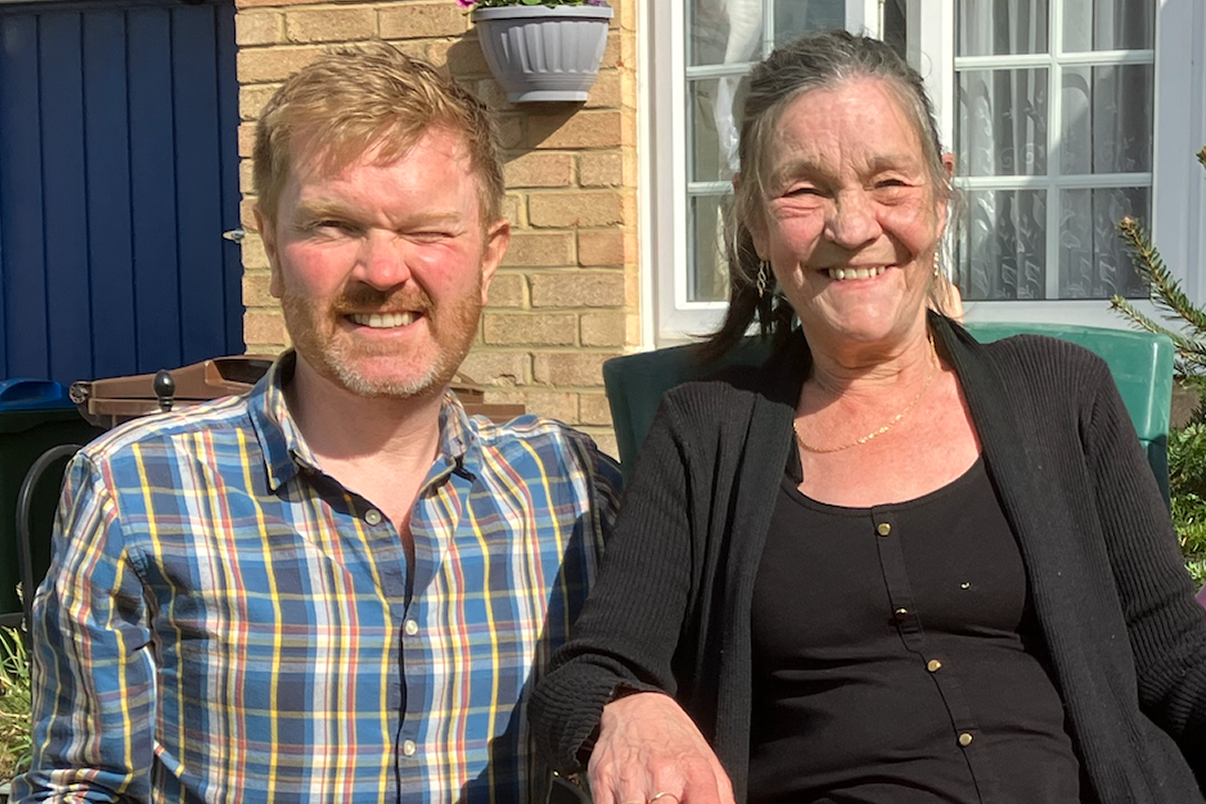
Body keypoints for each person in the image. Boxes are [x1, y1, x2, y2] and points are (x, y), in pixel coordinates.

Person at [531, 30, 1206, 804]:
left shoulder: (1060, 392)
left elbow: (1174, 654)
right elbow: (584, 677)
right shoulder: (704, 433)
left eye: (890, 182)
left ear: (941, 194)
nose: (853, 227)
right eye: (804, 190)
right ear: (754, 216)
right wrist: (630, 708)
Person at [14, 44, 621, 804]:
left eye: (428, 230)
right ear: (270, 241)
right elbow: (81, 786)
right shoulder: (135, 491)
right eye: (333, 226)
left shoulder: (573, 491)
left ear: (490, 253)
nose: (382, 271)